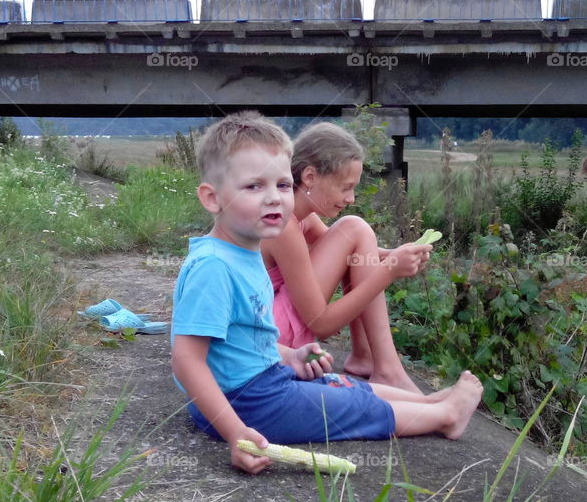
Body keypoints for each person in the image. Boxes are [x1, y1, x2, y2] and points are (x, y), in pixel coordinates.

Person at [171, 111, 483, 474]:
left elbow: (244, 336)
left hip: (261, 380)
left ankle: (429, 402)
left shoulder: (246, 248)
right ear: (212, 199)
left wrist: (288, 354)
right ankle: (445, 415)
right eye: (254, 186)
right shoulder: (213, 266)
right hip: (249, 403)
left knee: (339, 383)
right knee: (350, 409)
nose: (274, 199)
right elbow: (187, 360)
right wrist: (235, 433)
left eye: (282, 185)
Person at [261, 122, 431, 394]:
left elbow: (350, 251)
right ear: (310, 176)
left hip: (277, 323)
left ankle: (366, 357)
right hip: (275, 338)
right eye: (345, 187)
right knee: (354, 226)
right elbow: (321, 324)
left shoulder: (296, 210)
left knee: (356, 230)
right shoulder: (283, 224)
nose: (351, 198)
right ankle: (386, 369)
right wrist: (388, 270)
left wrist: (396, 255)